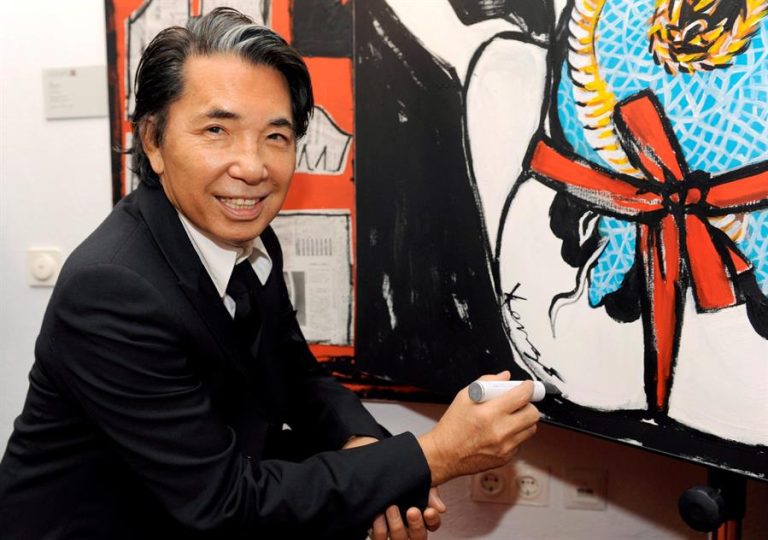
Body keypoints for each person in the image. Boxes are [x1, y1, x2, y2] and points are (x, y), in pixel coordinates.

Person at [0, 8, 540, 540]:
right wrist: (434, 455)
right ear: (153, 142)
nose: (253, 167)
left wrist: (366, 448)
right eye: (217, 129)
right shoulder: (111, 289)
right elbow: (224, 505)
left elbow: (296, 376)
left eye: (276, 136)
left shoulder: (244, 239)